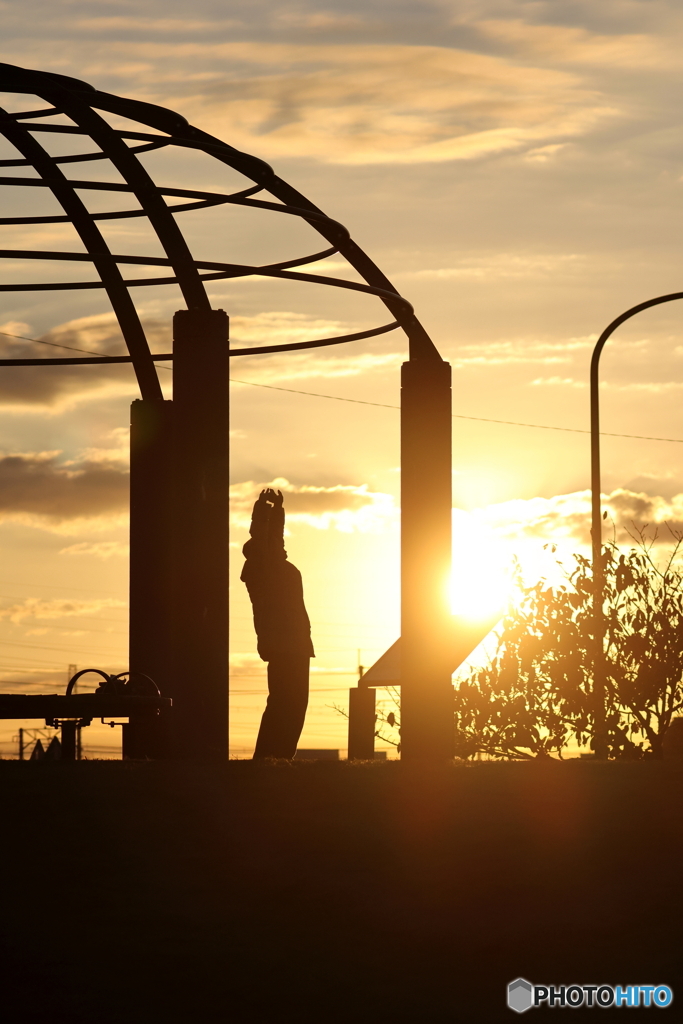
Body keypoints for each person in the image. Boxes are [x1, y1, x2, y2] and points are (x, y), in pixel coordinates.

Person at [241, 488, 315, 758]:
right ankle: (270, 757)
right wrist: (262, 511)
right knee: (284, 702)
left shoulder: (275, 563)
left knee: (295, 703)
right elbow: (262, 536)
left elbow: (274, 536)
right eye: (275, 543)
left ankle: (281, 757)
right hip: (283, 644)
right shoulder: (262, 568)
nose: (282, 545)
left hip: (296, 643)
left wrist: (278, 510)